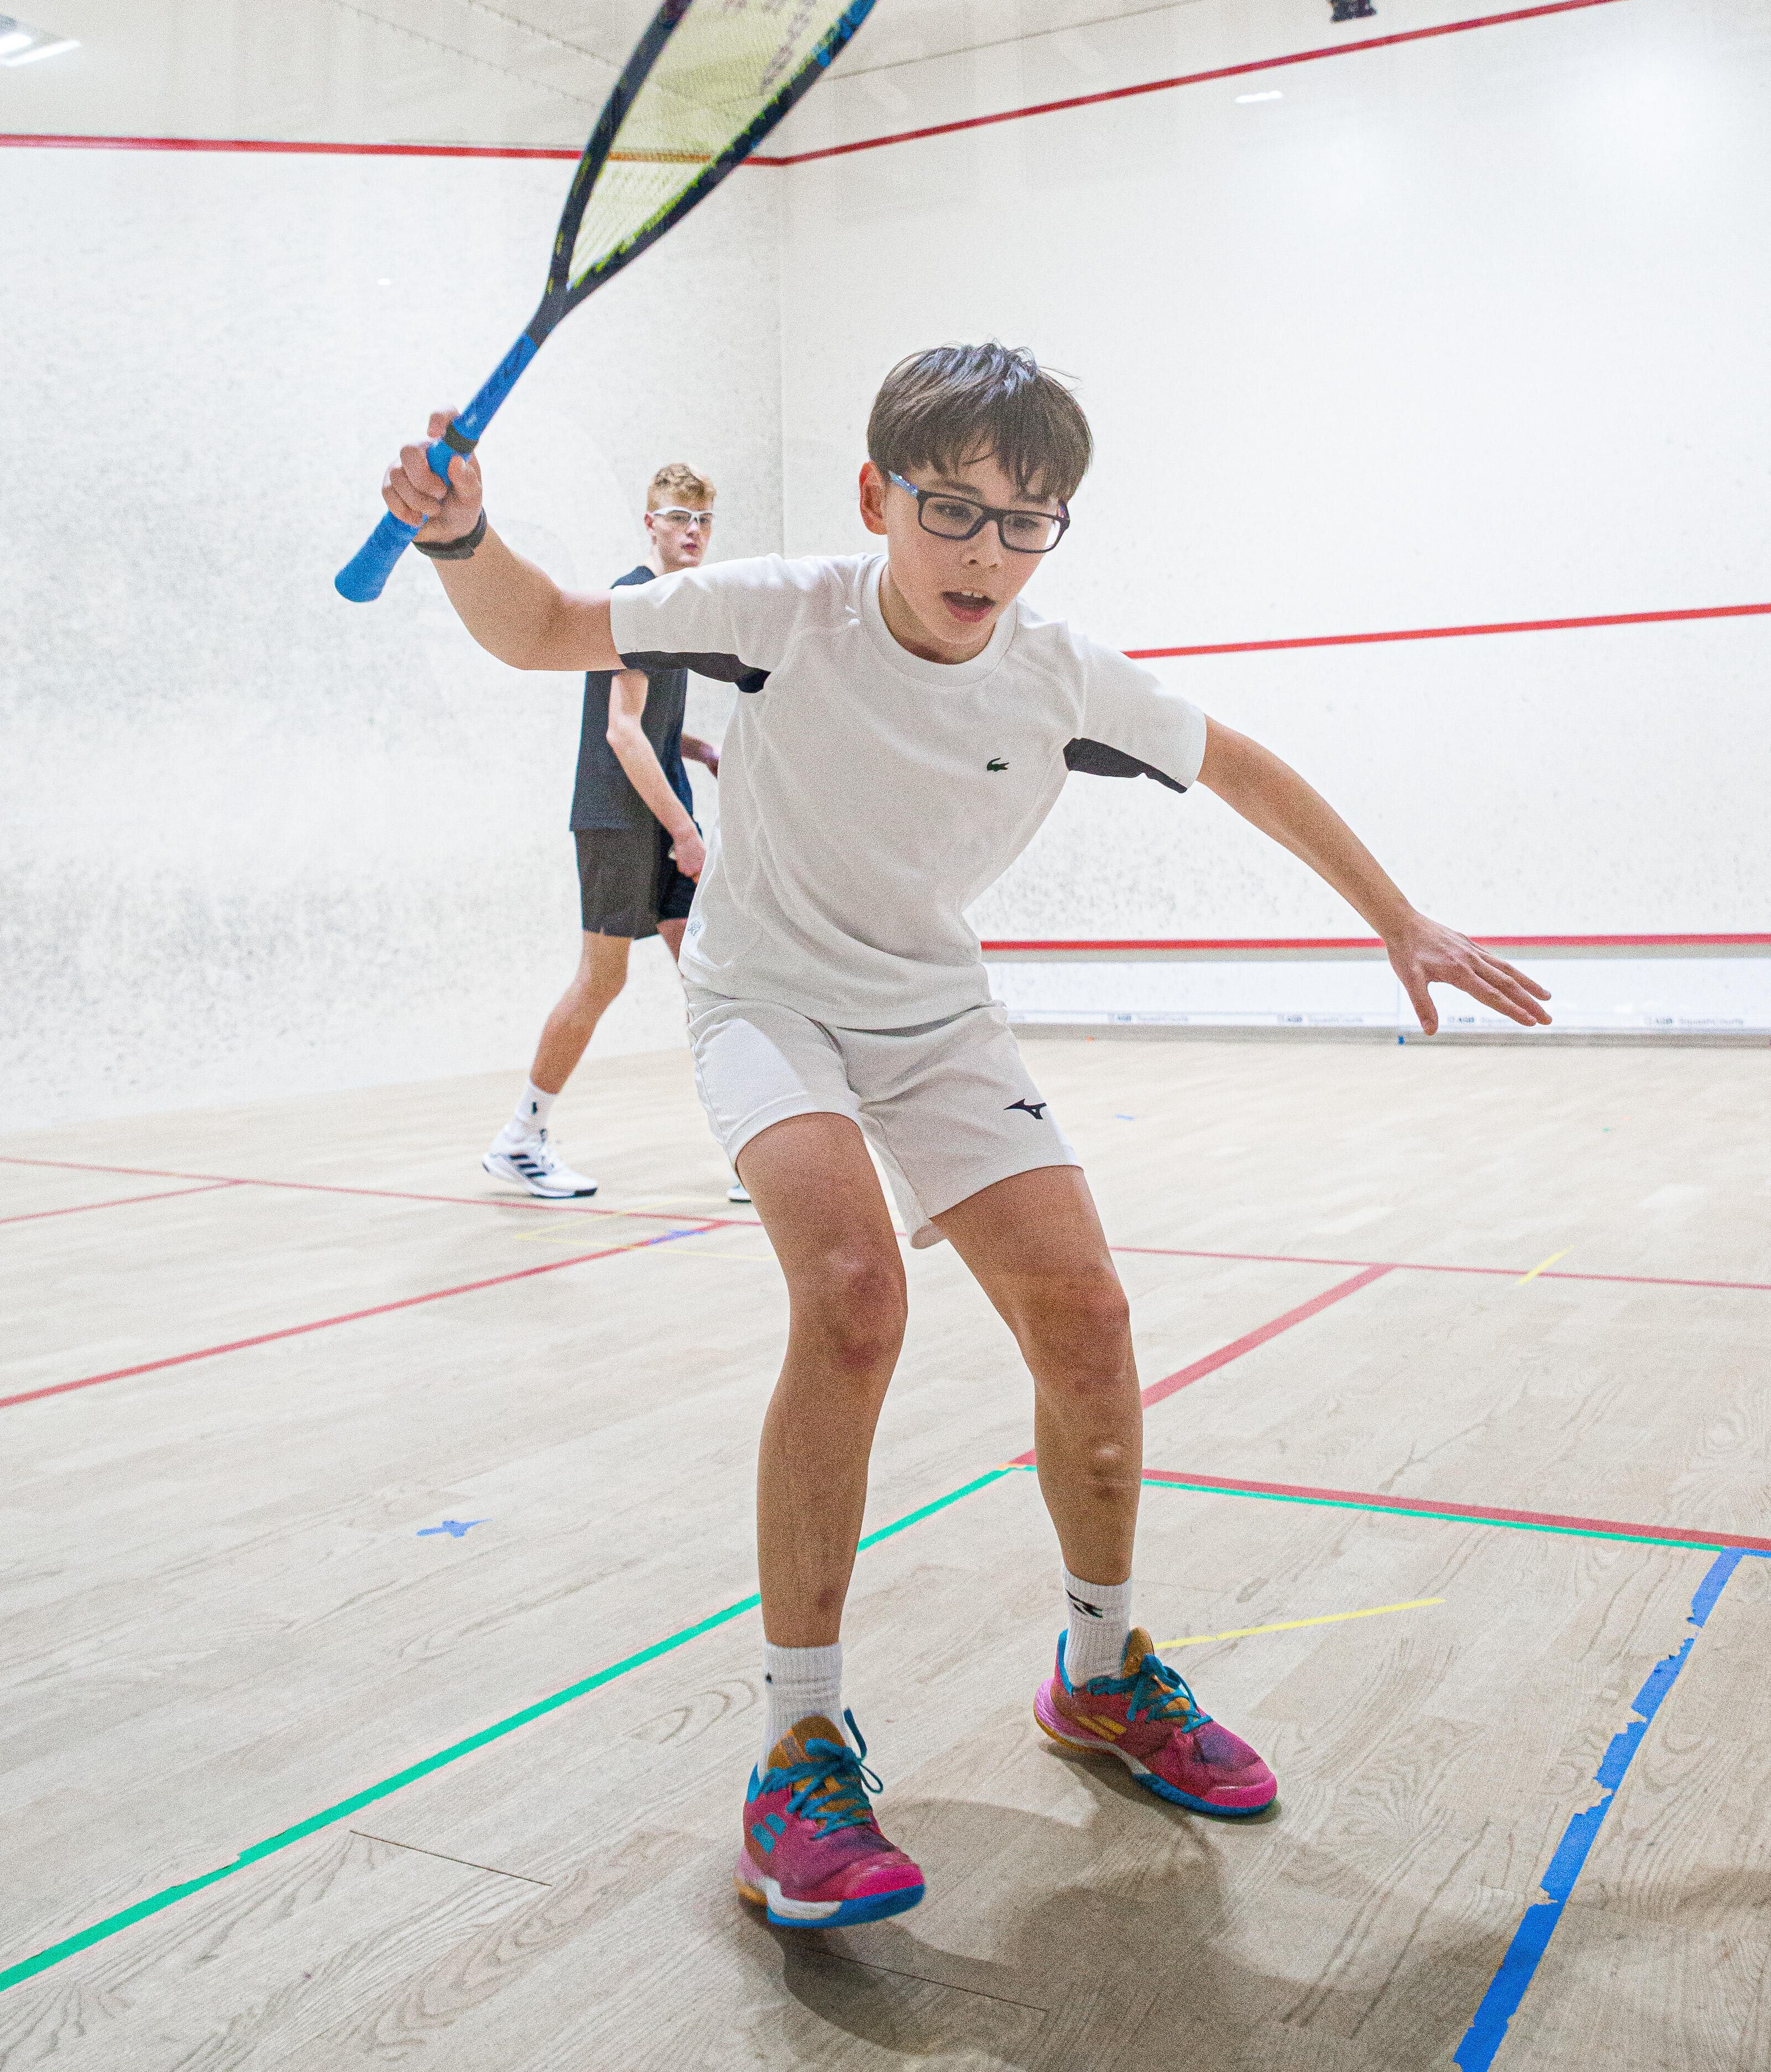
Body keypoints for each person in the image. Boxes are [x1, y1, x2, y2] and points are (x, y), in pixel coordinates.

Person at [380, 343, 1551, 1931]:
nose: (987, 555)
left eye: (1028, 522)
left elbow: (1246, 769)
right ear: (878, 497)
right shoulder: (776, 606)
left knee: (1086, 1315)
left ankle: (1100, 1673)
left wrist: (1396, 916)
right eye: (952, 510)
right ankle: (799, 1744)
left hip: (933, 1010)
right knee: (853, 1293)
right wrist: (460, 540)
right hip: (766, 996)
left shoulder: (1059, 672)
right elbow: (541, 630)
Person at [478, 462, 748, 1202]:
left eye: (702, 520)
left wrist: (699, 749)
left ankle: (749, 1151)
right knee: (602, 978)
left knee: (711, 979)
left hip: (654, 810)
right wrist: (686, 832)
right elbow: (623, 734)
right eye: (677, 517)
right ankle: (521, 1139)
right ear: (650, 524)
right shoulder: (635, 601)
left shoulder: (673, 605)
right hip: (618, 817)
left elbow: (651, 726)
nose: (691, 531)